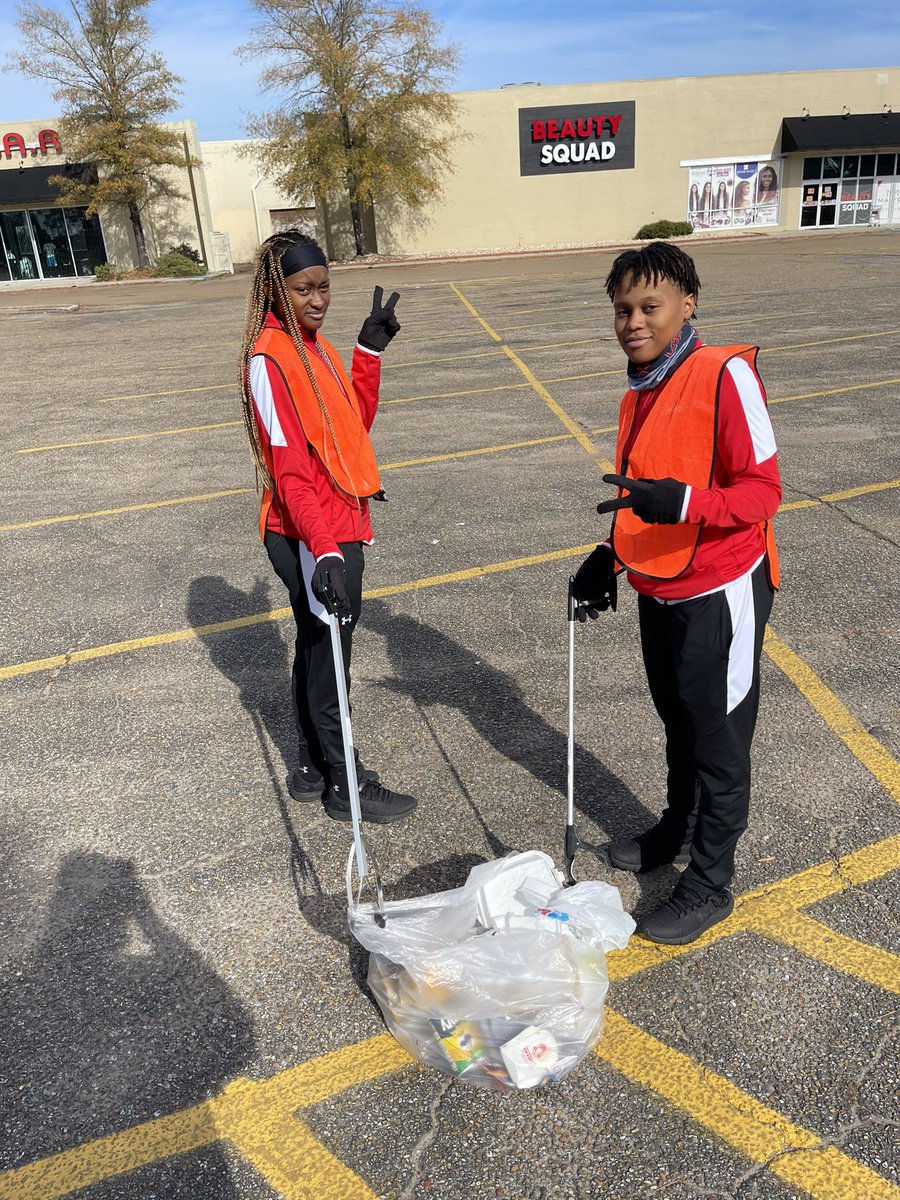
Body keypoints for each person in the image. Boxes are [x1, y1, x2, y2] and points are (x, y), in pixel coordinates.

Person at [573, 242, 781, 945]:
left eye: (649, 306)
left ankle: (710, 883)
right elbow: (643, 494)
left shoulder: (724, 375)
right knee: (676, 720)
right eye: (622, 309)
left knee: (718, 739)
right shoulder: (639, 387)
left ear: (687, 303)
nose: (634, 321)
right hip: (659, 588)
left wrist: (687, 501)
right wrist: (608, 557)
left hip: (720, 589)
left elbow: (763, 493)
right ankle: (678, 825)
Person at [238, 229, 417, 824]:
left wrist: (367, 354)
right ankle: (346, 783)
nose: (317, 300)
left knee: (318, 645)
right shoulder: (269, 360)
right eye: (302, 289)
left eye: (324, 287)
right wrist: (327, 552)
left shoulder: (315, 347)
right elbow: (289, 472)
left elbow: (349, 429)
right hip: (308, 528)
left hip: (338, 517)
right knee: (331, 653)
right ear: (275, 289)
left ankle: (314, 765)